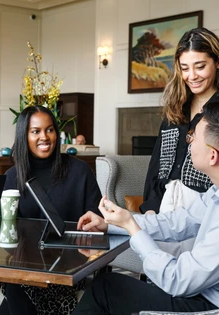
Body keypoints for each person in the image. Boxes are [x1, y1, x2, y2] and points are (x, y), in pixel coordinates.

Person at [72, 101, 219, 314]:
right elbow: (173, 224)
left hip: (206, 305)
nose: (189, 143)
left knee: (104, 290)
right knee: (106, 285)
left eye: (192, 137)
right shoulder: (214, 194)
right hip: (199, 292)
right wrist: (111, 223)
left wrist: (134, 229)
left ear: (212, 155)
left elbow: (176, 279)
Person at [0, 105, 102, 315]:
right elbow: (5, 228)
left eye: (49, 130)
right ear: (24, 136)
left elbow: (97, 219)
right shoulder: (12, 177)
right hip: (26, 268)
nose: (44, 137)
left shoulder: (80, 172)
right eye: (35, 131)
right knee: (15, 283)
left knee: (11, 296)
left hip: (68, 268)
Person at [141, 27, 219, 214]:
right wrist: (151, 209)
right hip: (164, 206)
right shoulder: (176, 108)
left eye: (200, 67)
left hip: (207, 208)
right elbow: (157, 165)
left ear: (217, 62)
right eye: (185, 68)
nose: (191, 76)